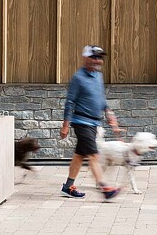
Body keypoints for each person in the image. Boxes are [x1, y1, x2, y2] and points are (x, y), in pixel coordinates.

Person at [59, 45, 121, 199]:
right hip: (81, 122)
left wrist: (109, 113)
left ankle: (68, 186)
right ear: (86, 58)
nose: (97, 60)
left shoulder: (98, 76)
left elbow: (100, 98)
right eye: (94, 57)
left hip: (94, 123)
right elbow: (70, 102)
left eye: (100, 58)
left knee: (80, 155)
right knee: (93, 156)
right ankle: (105, 188)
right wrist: (65, 125)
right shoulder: (78, 78)